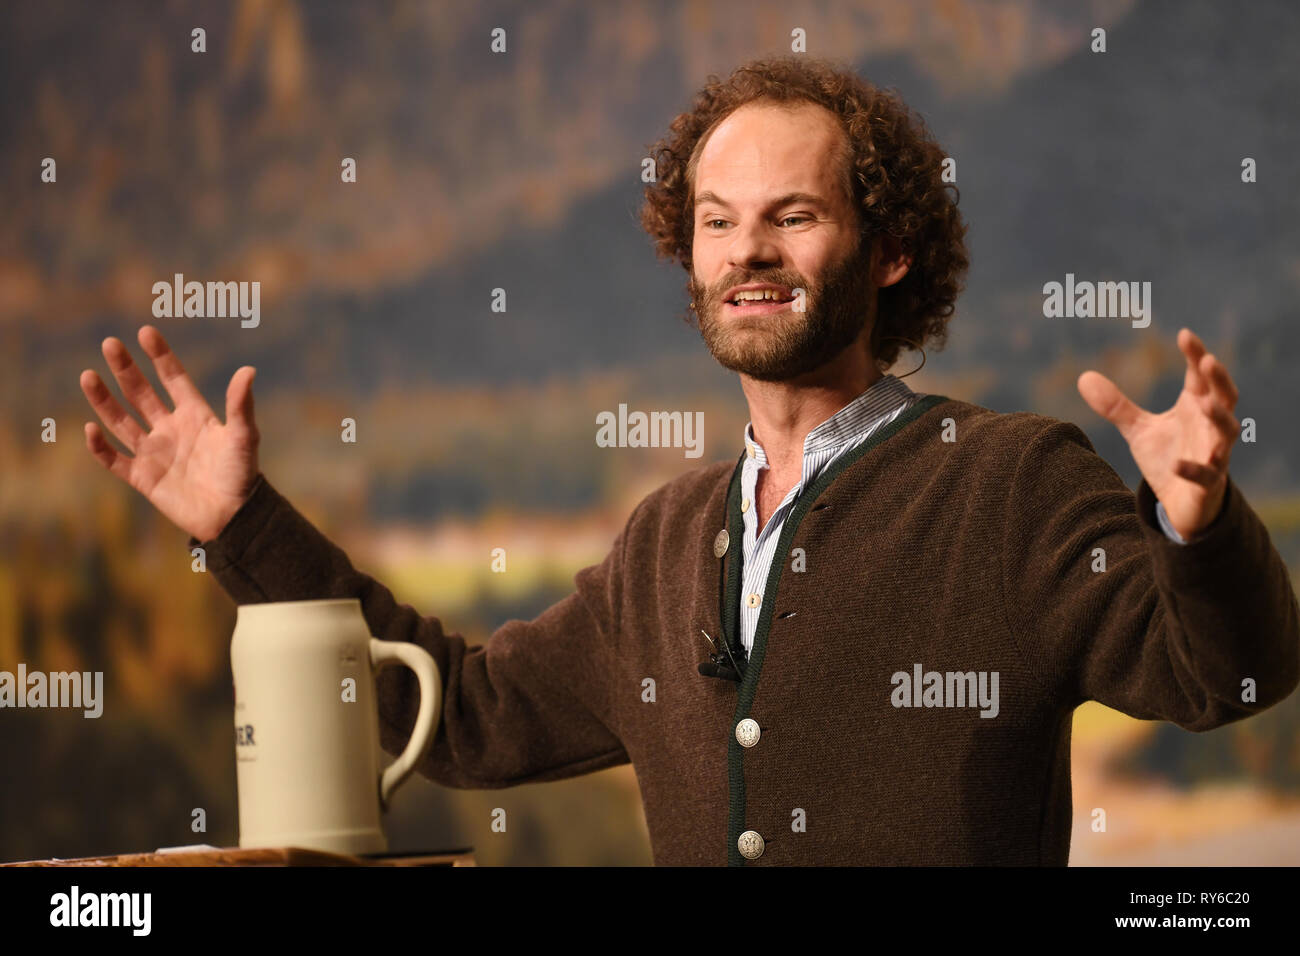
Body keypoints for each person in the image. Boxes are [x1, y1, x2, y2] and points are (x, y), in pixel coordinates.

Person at [79, 56, 1299, 866]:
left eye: (793, 215)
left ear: (888, 254)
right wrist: (242, 522)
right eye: (716, 221)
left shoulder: (1011, 482)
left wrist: (1198, 528)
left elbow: (1227, 680)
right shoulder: (664, 539)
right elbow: (455, 718)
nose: (746, 250)